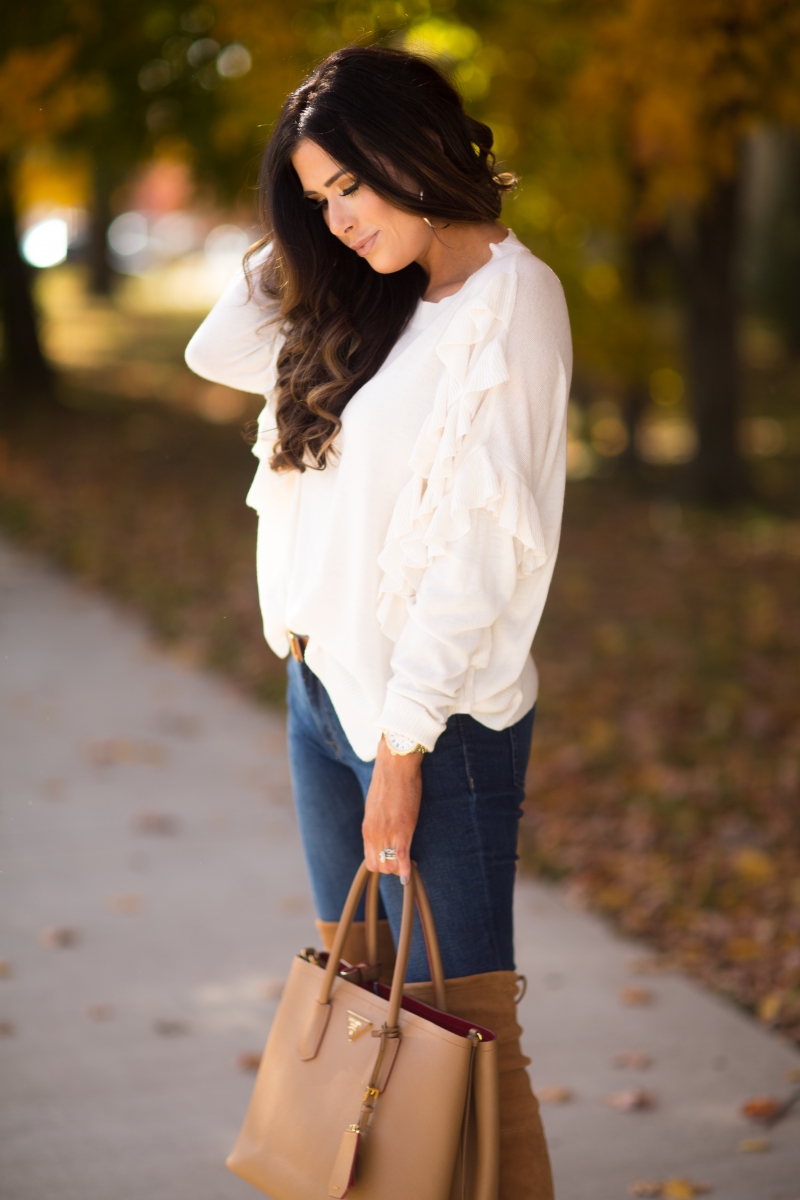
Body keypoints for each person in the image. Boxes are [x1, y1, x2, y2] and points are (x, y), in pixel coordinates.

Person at [186, 44, 571, 1200]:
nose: (338, 220)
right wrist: (308, 231)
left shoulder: (511, 300)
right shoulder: (382, 296)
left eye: (349, 185)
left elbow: (479, 557)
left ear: (416, 147)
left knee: (464, 1045)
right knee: (367, 1019)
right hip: (322, 694)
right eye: (317, 199)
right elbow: (217, 348)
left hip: (432, 726)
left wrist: (399, 751)